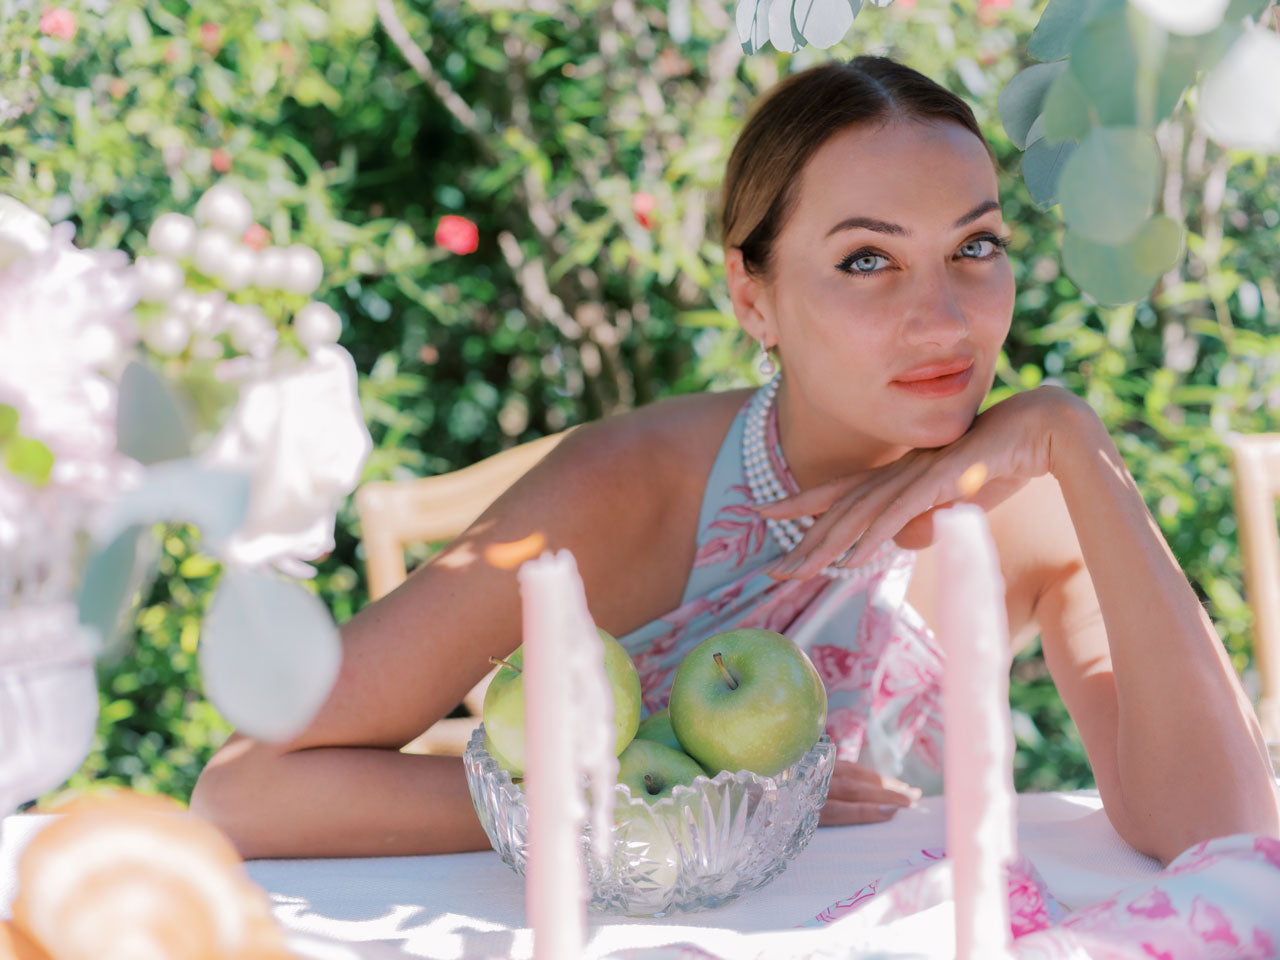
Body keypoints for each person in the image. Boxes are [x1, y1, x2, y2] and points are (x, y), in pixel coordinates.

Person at [190, 56, 1279, 866]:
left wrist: (1076, 444)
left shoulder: (1030, 503)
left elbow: (1219, 831)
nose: (943, 317)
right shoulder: (630, 492)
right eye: (865, 260)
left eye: (974, 247)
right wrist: (663, 800)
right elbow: (248, 791)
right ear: (751, 294)